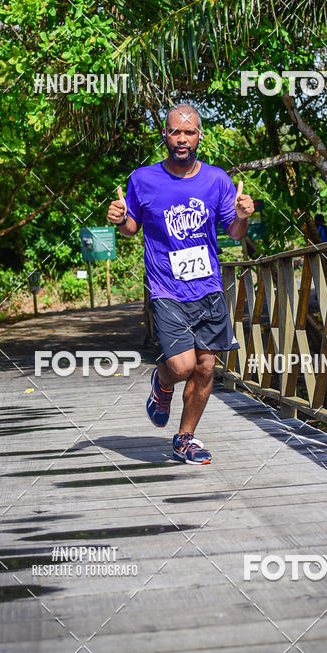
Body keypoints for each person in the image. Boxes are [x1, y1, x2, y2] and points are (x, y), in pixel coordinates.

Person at [106, 103, 254, 465]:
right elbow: (131, 227)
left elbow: (233, 232)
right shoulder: (143, 179)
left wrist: (242, 216)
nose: (182, 139)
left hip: (208, 287)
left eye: (189, 132)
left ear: (200, 135)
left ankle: (185, 438)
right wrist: (119, 218)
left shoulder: (217, 180)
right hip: (166, 289)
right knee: (183, 365)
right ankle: (162, 381)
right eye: (175, 132)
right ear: (165, 135)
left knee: (206, 366)